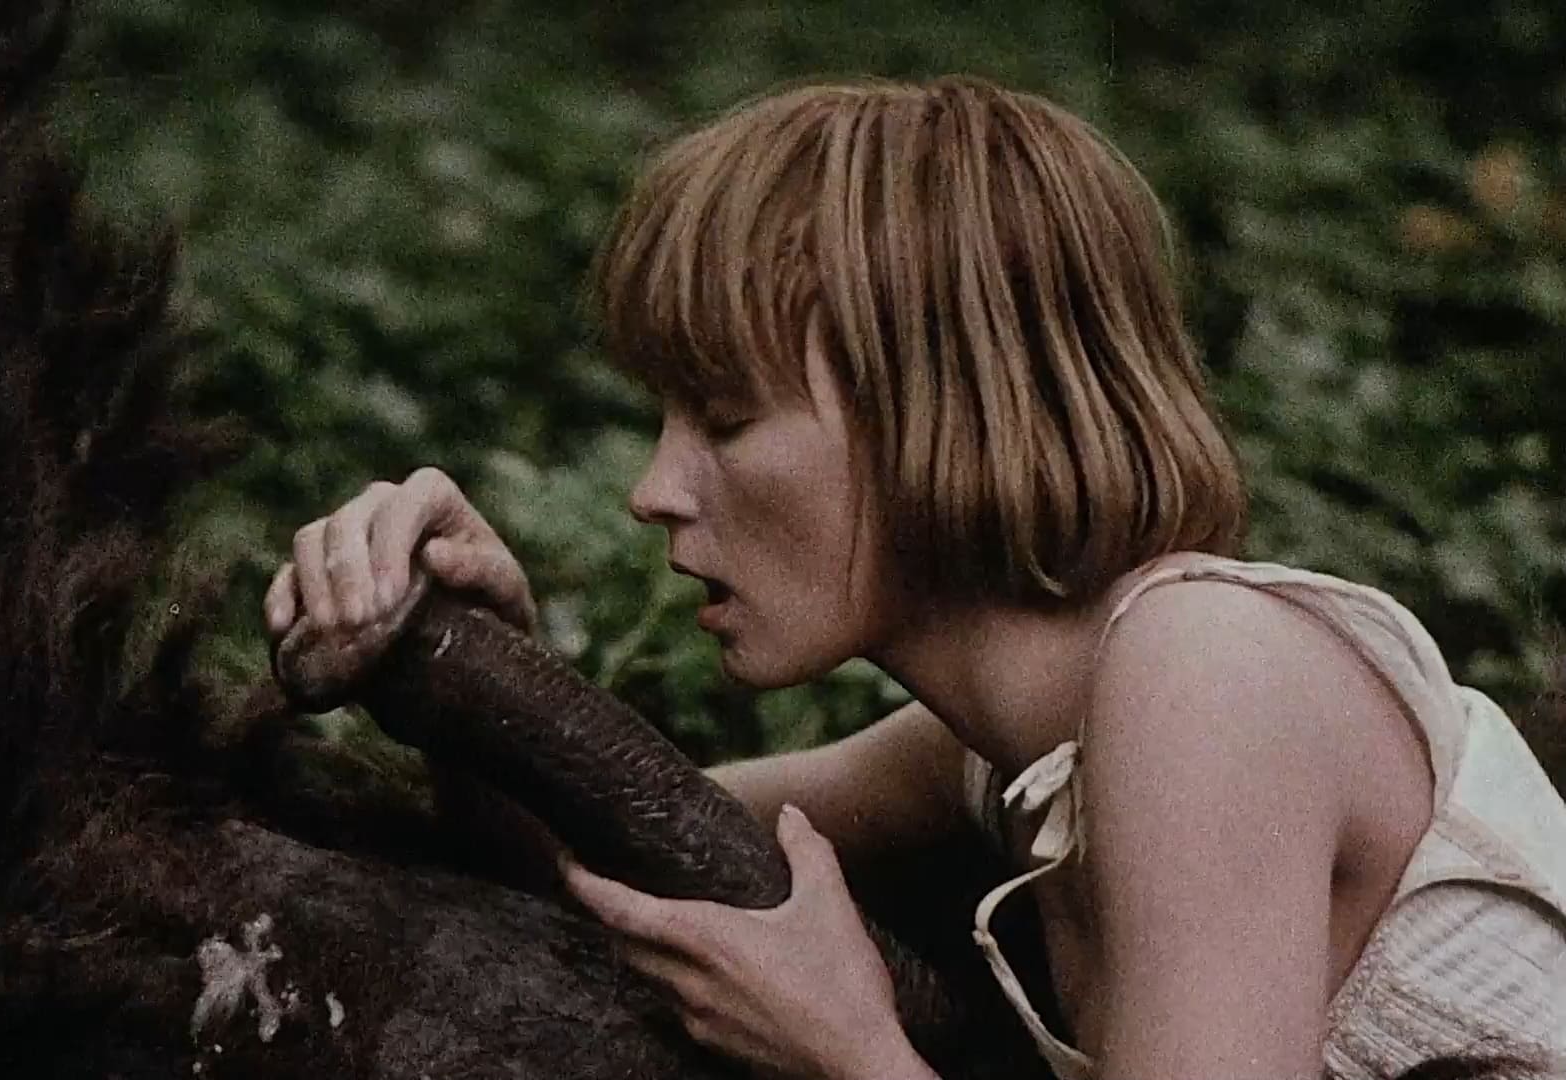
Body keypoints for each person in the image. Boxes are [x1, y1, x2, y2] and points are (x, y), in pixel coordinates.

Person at [263, 76, 1566, 1080]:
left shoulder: (1208, 677)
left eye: (725, 418)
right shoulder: (994, 755)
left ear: (935, 411)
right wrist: (478, 661)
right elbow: (606, 868)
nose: (653, 489)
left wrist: (848, 1052)